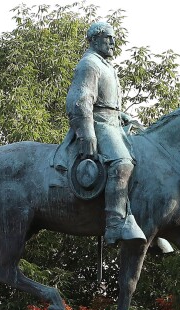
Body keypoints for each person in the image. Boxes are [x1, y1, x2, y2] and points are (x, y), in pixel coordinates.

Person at [65, 21, 146, 246]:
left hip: (113, 122)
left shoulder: (106, 65)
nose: (113, 42)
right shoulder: (89, 64)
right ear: (95, 38)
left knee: (146, 157)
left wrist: (122, 116)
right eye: (109, 37)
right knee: (122, 163)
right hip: (98, 124)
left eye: (113, 38)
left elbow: (107, 103)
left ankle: (147, 222)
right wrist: (87, 133)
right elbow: (80, 101)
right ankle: (115, 225)